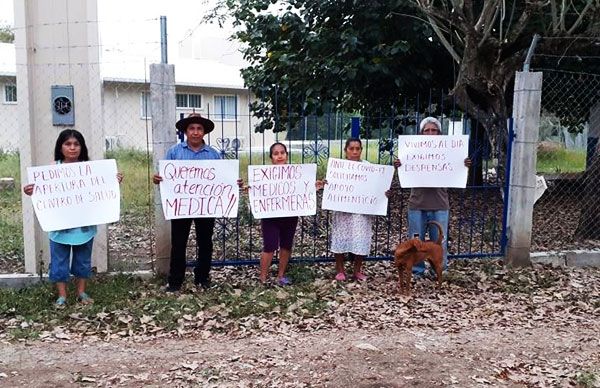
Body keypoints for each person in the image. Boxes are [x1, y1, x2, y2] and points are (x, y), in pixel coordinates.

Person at [23, 129, 123, 307]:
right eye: (68, 144)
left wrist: (112, 180)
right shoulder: (52, 170)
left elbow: (101, 190)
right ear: (60, 147)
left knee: (83, 260)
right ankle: (62, 295)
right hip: (59, 227)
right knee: (59, 261)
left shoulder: (91, 170)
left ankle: (81, 292)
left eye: (76, 144)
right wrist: (31, 191)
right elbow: (41, 192)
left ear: (81, 147)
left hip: (83, 227)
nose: (72, 148)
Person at [394, 116, 471, 276]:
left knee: (439, 241)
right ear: (421, 133)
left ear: (439, 133)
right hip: (417, 204)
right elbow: (404, 170)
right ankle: (417, 270)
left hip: (440, 204)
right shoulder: (411, 151)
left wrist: (463, 165)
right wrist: (400, 165)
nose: (430, 133)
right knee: (416, 242)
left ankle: (440, 270)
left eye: (434, 130)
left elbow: (457, 172)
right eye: (427, 130)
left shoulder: (449, 151)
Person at [153, 113, 221, 292]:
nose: (196, 132)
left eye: (199, 128)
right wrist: (158, 178)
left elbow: (222, 178)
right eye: (192, 128)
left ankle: (202, 277)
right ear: (185, 131)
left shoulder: (213, 154)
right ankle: (175, 280)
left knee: (205, 242)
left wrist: (232, 182)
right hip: (181, 206)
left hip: (206, 206)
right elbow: (164, 176)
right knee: (179, 242)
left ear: (204, 132)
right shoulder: (175, 152)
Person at [326, 138, 381, 282]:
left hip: (361, 210)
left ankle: (357, 270)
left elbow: (377, 186)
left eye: (358, 148)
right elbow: (331, 186)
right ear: (345, 151)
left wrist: (384, 193)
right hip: (342, 209)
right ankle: (340, 270)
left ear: (361, 150)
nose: (355, 151)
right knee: (340, 237)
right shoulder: (338, 168)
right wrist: (327, 184)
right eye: (351, 149)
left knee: (360, 238)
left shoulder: (368, 167)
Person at [255, 142, 298, 286]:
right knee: (269, 246)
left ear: (287, 155)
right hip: (270, 216)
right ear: (271, 157)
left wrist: (314, 186)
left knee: (286, 245)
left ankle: (281, 276)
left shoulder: (296, 173)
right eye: (276, 153)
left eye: (282, 153)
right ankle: (263, 277)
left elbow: (304, 189)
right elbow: (256, 189)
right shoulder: (263, 175)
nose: (279, 156)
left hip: (290, 215)